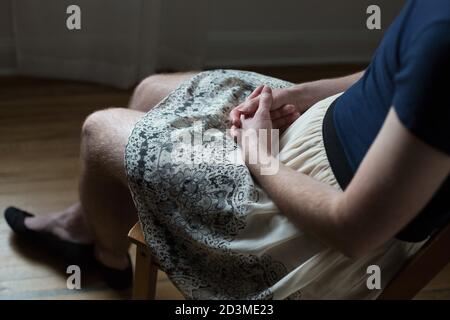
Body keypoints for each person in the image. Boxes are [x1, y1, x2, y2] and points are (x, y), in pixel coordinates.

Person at [5, 0, 450, 298]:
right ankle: (85, 224)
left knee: (98, 131)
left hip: (314, 224)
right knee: (149, 91)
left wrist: (259, 155)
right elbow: (388, 74)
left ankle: (106, 256)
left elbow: (353, 231)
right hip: (316, 135)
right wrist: (296, 95)